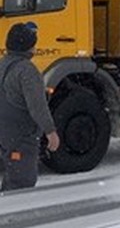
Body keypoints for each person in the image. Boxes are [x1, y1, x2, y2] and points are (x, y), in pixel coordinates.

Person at [0, 23, 60, 191]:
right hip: (21, 135)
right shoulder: (27, 71)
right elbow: (37, 106)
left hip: (5, 133)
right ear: (29, 46)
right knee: (22, 183)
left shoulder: (2, 64)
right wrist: (51, 131)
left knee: (12, 176)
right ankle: (13, 215)